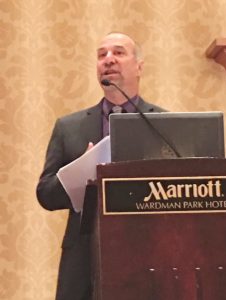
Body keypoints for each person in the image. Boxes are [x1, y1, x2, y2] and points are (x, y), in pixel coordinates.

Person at [36, 32, 165, 300]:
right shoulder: (69, 127)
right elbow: (45, 194)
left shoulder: (164, 125)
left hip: (151, 256)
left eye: (118, 52)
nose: (108, 59)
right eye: (101, 55)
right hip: (84, 261)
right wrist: (82, 172)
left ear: (139, 66)